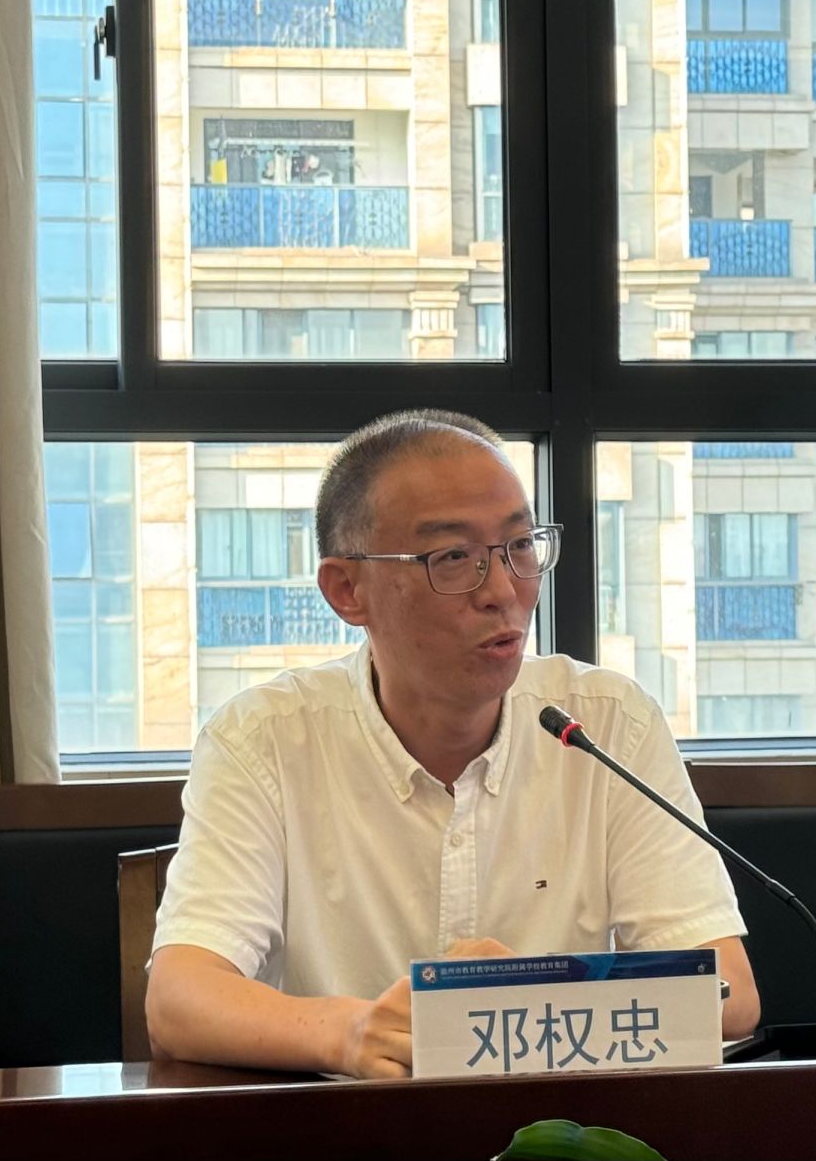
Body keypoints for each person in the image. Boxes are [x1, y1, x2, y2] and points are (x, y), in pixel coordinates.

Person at [145, 410, 759, 1077]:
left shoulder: (608, 724)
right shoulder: (264, 739)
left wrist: (531, 998)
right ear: (347, 590)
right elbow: (180, 999)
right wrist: (352, 1033)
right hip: (346, 1122)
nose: (502, 590)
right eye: (453, 558)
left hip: (553, 1125)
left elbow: (727, 994)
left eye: (520, 546)